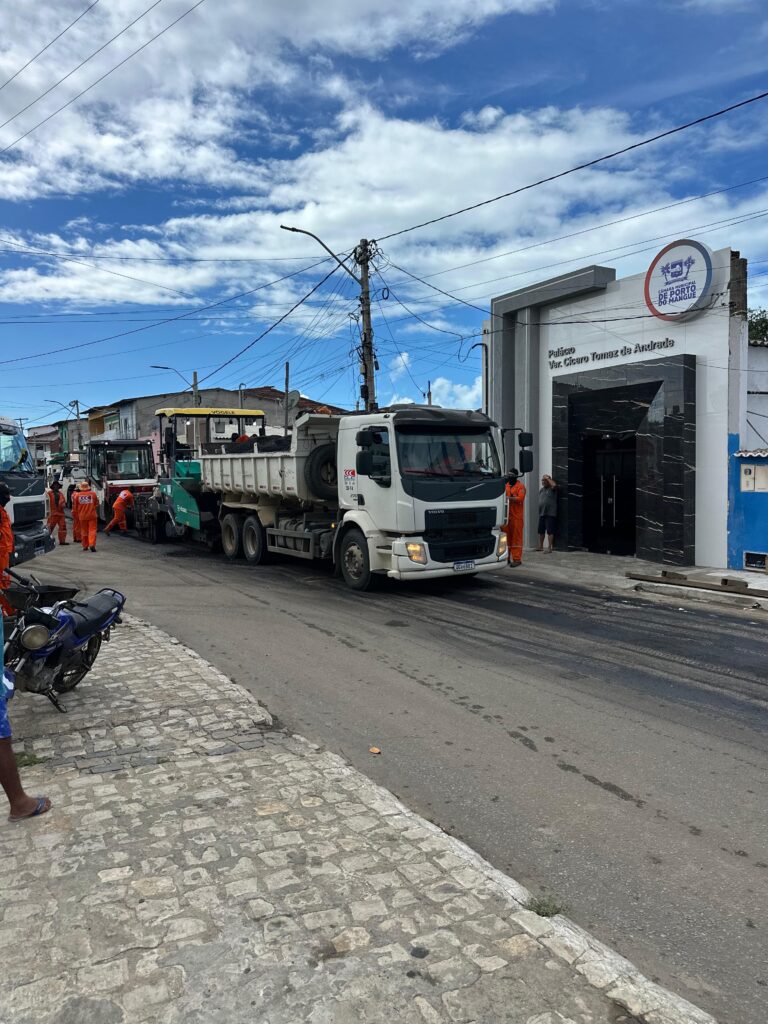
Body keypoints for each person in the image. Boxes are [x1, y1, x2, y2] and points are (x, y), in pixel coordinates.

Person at [503, 469, 526, 567]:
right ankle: (506, 558)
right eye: (508, 475)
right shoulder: (505, 486)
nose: (509, 476)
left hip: (516, 517)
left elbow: (520, 498)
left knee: (516, 539)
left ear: (516, 476)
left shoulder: (521, 486)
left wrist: (509, 498)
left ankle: (517, 559)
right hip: (506, 517)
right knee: (506, 538)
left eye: (511, 475)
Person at [71, 479, 99, 552]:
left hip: (82, 516)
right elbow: (97, 504)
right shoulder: (93, 494)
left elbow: (75, 507)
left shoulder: (77, 496)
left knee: (84, 531)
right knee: (92, 530)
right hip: (92, 516)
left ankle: (85, 546)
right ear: (88, 487)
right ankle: (92, 544)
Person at [0, 483, 15, 616]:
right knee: (3, 582)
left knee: (5, 580)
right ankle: (6, 611)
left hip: (4, 551)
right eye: (6, 495)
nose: (9, 497)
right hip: (1, 552)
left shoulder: (2, 510)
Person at [537, 475, 558, 553]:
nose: (543, 482)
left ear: (549, 481)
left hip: (550, 513)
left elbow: (554, 485)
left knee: (550, 531)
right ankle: (541, 546)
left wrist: (548, 478)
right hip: (542, 513)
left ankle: (549, 548)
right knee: (541, 531)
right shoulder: (541, 490)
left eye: (545, 480)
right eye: (542, 480)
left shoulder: (552, 489)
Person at [46, 480, 68, 546]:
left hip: (61, 514)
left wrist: (63, 504)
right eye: (55, 485)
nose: (56, 487)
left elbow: (63, 501)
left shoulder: (61, 494)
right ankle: (46, 541)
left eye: (57, 485)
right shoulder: (49, 493)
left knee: (63, 528)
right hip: (52, 514)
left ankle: (62, 541)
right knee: (49, 528)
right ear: (53, 487)